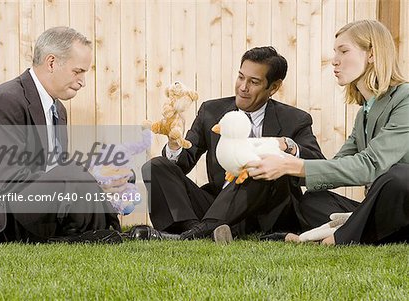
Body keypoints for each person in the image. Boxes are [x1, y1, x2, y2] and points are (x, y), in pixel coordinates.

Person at [0, 27, 127, 245]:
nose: (82, 82)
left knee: (77, 174)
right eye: (78, 72)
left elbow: (53, 175)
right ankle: (108, 234)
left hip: (32, 208)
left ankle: (106, 234)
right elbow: (7, 184)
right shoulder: (4, 102)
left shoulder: (58, 110)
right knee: (72, 172)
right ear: (51, 63)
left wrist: (96, 184)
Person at [246, 20, 409, 245]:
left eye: (344, 51)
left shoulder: (405, 98)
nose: (334, 60)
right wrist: (283, 162)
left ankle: (339, 235)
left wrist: (290, 165)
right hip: (379, 212)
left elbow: (371, 165)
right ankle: (357, 228)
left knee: (400, 177)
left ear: (372, 54)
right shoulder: (364, 113)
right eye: (335, 52)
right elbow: (340, 165)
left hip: (402, 203)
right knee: (314, 199)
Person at [141, 46, 325, 240]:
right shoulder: (211, 111)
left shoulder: (295, 119)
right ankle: (193, 230)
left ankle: (200, 232)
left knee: (256, 164)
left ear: (274, 87)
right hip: (217, 205)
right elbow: (183, 163)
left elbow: (318, 166)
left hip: (269, 213)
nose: (243, 87)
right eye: (240, 77)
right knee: (155, 167)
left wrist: (288, 145)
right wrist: (174, 144)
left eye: (253, 82)